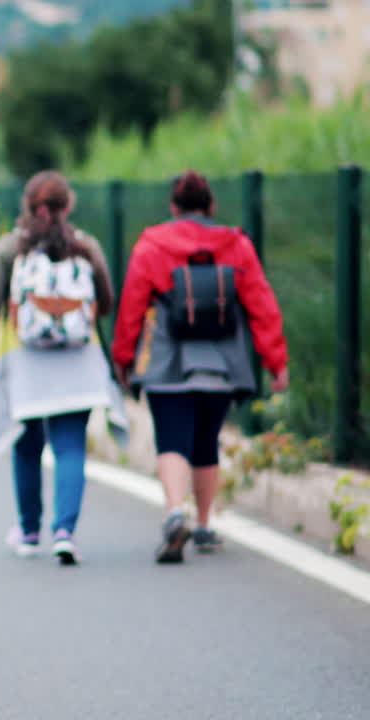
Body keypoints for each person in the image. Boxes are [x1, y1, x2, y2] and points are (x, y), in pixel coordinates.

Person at [112, 171, 289, 564]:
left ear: (173, 207)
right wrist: (276, 361)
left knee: (172, 438)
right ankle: (206, 524)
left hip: (166, 357)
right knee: (207, 441)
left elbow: (132, 307)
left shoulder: (153, 243)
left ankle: (176, 512)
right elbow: (262, 305)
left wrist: (124, 358)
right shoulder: (236, 244)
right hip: (223, 360)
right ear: (211, 205)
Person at [0, 171, 122, 565]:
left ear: (28, 205)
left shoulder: (10, 249)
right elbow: (106, 304)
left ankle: (29, 532)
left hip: (26, 366)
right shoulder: (86, 246)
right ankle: (65, 532)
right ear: (68, 206)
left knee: (27, 447)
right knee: (70, 446)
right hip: (78, 364)